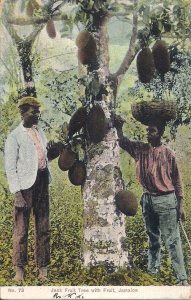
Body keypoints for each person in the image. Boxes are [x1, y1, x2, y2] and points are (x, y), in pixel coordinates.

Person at [112, 113, 189, 286]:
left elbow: (177, 180)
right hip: (147, 199)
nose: (148, 134)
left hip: (166, 201)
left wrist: (181, 205)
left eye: (152, 131)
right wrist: (119, 127)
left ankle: (182, 278)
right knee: (152, 238)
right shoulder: (140, 149)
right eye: (147, 131)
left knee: (172, 240)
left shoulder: (169, 154)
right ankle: (153, 270)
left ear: (160, 133)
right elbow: (123, 141)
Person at [4, 96, 58, 282]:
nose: (37, 114)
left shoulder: (39, 132)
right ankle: (19, 271)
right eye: (33, 111)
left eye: (38, 110)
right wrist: (17, 193)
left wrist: (52, 153)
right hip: (24, 186)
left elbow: (42, 159)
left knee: (43, 227)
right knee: (21, 229)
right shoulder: (14, 137)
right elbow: (10, 168)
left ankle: (42, 269)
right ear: (22, 112)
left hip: (41, 181)